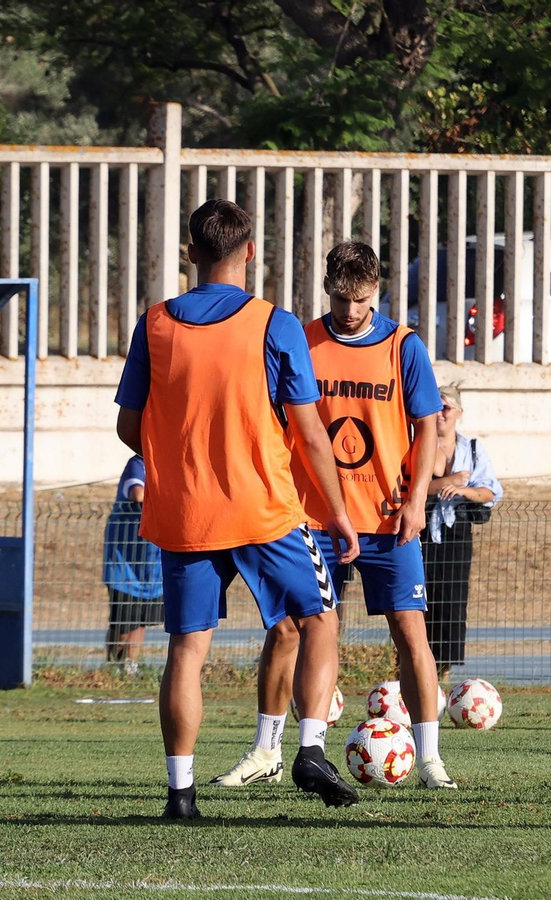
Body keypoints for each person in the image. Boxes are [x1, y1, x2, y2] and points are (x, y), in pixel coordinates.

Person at [114, 199, 361, 819]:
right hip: (264, 508)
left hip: (185, 515)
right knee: (320, 618)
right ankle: (308, 749)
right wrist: (336, 512)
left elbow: (127, 427)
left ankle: (180, 794)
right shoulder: (273, 324)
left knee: (186, 651)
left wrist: (183, 447)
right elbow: (309, 435)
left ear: (190, 253)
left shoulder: (156, 323)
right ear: (251, 252)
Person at [212, 241, 455, 790]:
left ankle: (431, 758)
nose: (351, 311)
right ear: (327, 287)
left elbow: (427, 431)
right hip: (311, 518)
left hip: (389, 519)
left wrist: (416, 501)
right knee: (289, 630)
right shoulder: (300, 338)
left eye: (362, 299)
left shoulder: (403, 346)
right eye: (342, 299)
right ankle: (265, 751)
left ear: (377, 291)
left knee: (410, 633)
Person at [421, 384, 502, 675]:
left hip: (456, 532)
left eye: (446, 408)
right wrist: (446, 482)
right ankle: (417, 663)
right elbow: (407, 489)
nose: (440, 414)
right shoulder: (417, 444)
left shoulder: (473, 449)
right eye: (436, 407)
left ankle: (443, 669)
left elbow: (490, 491)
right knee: (418, 601)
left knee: (453, 599)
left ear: (458, 413)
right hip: (420, 531)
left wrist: (463, 491)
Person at [102, 455, 162, 672]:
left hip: (152, 565)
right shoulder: (138, 463)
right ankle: (113, 665)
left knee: (142, 619)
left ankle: (131, 665)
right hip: (125, 565)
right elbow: (138, 494)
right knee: (123, 621)